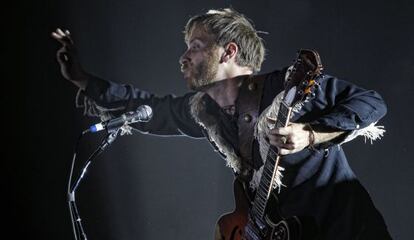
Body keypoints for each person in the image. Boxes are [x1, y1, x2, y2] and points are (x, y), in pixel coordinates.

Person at [52, 8, 392, 240]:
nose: (184, 57)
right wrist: (82, 79)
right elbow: (150, 108)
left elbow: (372, 103)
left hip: (347, 230)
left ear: (228, 52)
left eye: (196, 47)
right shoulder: (205, 111)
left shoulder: (289, 88)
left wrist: (311, 133)